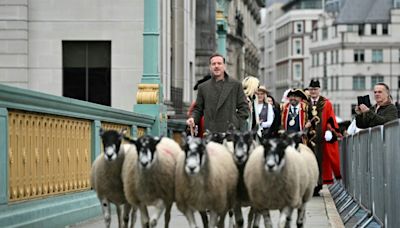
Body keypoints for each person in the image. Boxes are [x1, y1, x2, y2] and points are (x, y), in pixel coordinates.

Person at [186, 53, 249, 133]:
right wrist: (193, 119)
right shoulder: (203, 87)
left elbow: (244, 108)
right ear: (210, 67)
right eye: (213, 64)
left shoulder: (236, 85)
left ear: (224, 66)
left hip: (230, 132)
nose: (216, 66)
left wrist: (235, 122)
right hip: (210, 132)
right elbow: (198, 109)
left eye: (219, 63)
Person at [305, 79, 341, 196]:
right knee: (308, 161)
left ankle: (318, 184)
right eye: (311, 89)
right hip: (308, 138)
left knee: (320, 161)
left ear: (319, 90)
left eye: (315, 89)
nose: (313, 91)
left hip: (321, 139)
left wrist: (330, 130)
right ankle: (309, 184)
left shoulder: (326, 103)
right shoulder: (305, 104)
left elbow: (331, 119)